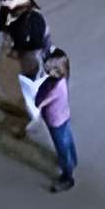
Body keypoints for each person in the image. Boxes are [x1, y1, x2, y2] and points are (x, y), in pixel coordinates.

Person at [0, 0, 51, 132]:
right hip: (12, 50)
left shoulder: (34, 18)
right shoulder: (8, 7)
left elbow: (37, 44)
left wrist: (18, 50)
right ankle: (16, 104)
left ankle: (27, 117)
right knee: (6, 79)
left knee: (25, 86)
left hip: (27, 56)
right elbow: (1, 20)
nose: (3, 3)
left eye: (5, 0)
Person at [33, 51, 77, 194]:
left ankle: (67, 177)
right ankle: (73, 160)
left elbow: (41, 102)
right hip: (63, 115)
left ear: (59, 70)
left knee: (61, 147)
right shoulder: (61, 81)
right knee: (67, 139)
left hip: (55, 120)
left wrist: (36, 105)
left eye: (50, 69)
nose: (47, 71)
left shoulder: (55, 88)